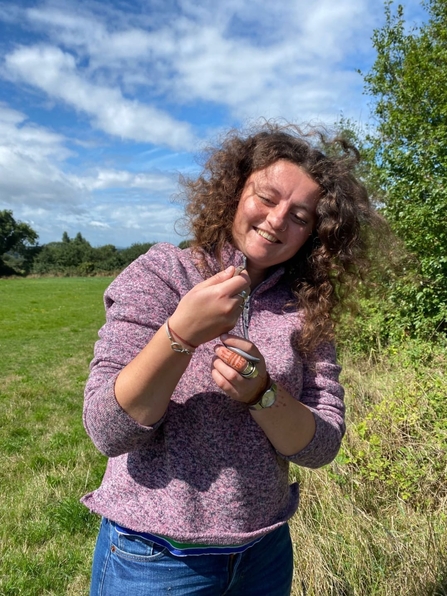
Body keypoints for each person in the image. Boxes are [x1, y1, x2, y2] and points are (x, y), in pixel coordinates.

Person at [82, 122, 378, 595]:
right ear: (234, 191)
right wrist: (179, 334)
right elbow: (107, 429)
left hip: (264, 554)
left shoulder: (306, 309)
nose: (278, 220)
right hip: (155, 559)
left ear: (313, 236)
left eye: (301, 217)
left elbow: (321, 447)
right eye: (266, 197)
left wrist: (263, 395)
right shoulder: (163, 273)